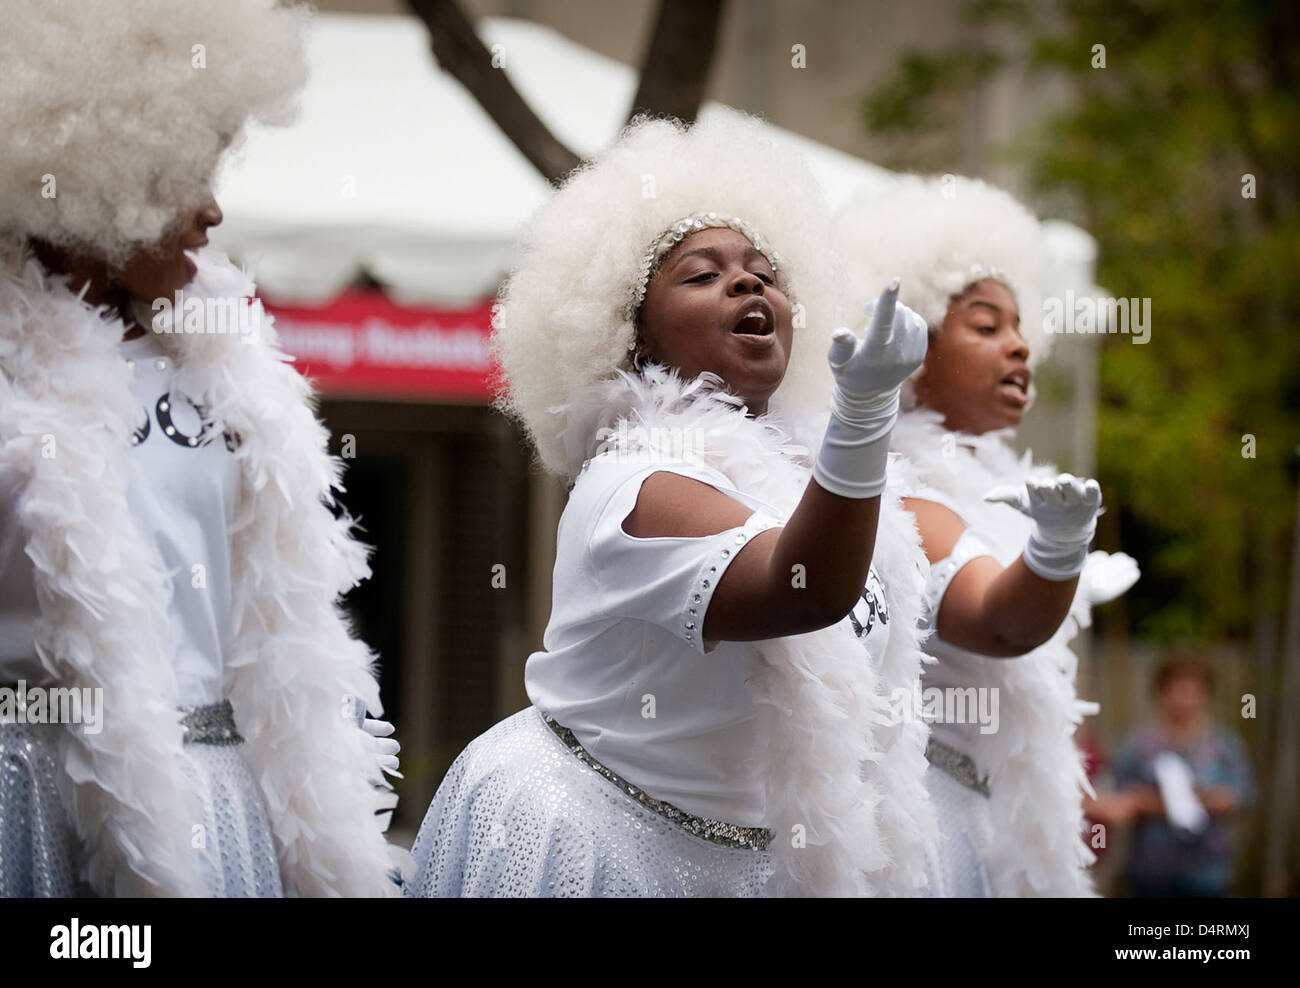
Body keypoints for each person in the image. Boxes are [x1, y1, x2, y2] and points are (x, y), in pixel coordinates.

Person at [408, 110, 940, 898]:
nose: (749, 281)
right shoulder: (637, 482)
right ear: (633, 337)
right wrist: (864, 418)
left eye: (764, 270)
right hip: (596, 849)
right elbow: (805, 590)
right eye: (701, 273)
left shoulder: (820, 477)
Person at [0, 0, 399, 897]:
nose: (216, 210)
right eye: (186, 174)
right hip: (33, 802)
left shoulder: (232, 358)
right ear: (96, 176)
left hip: (223, 807)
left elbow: (282, 632)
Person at [836, 174, 1140, 896]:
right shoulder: (903, 484)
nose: (1020, 349)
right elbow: (998, 624)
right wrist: (1056, 552)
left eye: (1020, 328)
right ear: (913, 342)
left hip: (993, 812)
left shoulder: (997, 475)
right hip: (933, 829)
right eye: (985, 325)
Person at [1113, 656, 1254, 897]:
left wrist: (1180, 800)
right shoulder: (1139, 744)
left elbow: (1242, 796)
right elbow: (1119, 800)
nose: (1185, 700)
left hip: (1207, 869)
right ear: (1161, 693)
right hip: (1151, 868)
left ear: (1205, 695)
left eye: (1192, 691)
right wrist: (1173, 803)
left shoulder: (1224, 744)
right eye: (1177, 691)